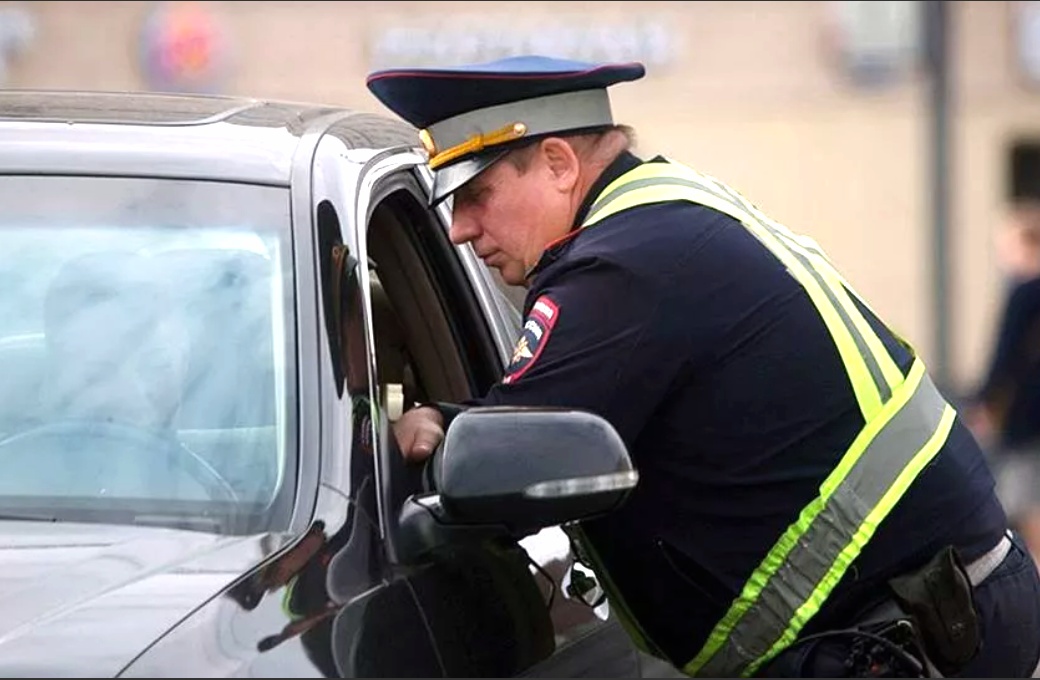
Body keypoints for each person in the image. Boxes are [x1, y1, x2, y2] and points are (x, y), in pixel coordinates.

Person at [365, 55, 1040, 677]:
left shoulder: (618, 269)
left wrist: (432, 437)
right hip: (932, 607)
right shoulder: (662, 213)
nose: (458, 228)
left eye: (475, 194)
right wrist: (452, 421)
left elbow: (509, 454)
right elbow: (543, 418)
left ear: (558, 162)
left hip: (903, 634)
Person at [967, 200, 1040, 564]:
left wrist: (983, 402)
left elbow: (1004, 354)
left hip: (1026, 416)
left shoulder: (1024, 292)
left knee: (1024, 501)